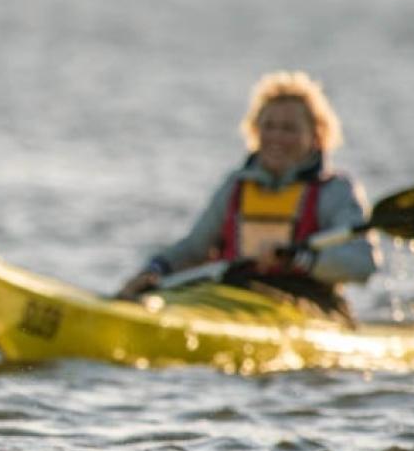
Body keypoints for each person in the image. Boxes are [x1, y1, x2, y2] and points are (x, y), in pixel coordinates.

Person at [116, 70, 378, 322]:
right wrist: (153, 271)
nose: (277, 137)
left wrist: (298, 259)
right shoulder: (236, 186)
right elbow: (195, 247)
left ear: (317, 137)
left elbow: (362, 264)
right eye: (269, 126)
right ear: (255, 131)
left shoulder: (335, 190)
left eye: (289, 129)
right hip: (235, 296)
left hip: (311, 305)